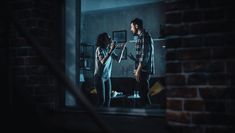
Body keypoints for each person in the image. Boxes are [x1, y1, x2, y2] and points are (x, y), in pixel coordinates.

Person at [94, 32, 126, 108]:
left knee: (108, 100)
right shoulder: (99, 49)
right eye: (108, 38)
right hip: (99, 77)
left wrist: (122, 49)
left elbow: (118, 60)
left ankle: (105, 117)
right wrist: (111, 50)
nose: (110, 39)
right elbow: (102, 61)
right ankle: (95, 114)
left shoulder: (108, 49)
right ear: (103, 40)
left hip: (107, 77)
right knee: (102, 100)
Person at [129, 18, 155, 107]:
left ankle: (149, 116)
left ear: (136, 26)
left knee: (144, 96)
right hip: (142, 70)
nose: (131, 29)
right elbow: (142, 57)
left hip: (143, 71)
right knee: (143, 95)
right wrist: (134, 60)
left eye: (131, 27)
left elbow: (145, 57)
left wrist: (137, 71)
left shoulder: (144, 36)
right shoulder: (142, 37)